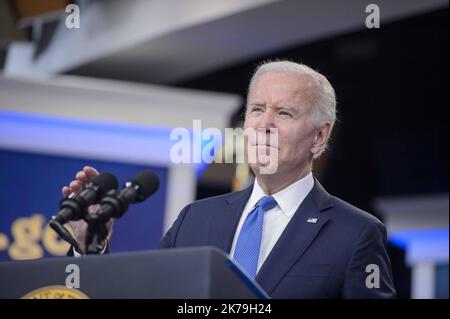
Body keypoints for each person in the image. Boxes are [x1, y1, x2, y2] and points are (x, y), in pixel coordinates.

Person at [63, 60, 396, 298]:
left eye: (284, 113)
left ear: (320, 137)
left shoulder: (356, 235)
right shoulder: (195, 219)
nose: (264, 124)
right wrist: (90, 245)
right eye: (256, 109)